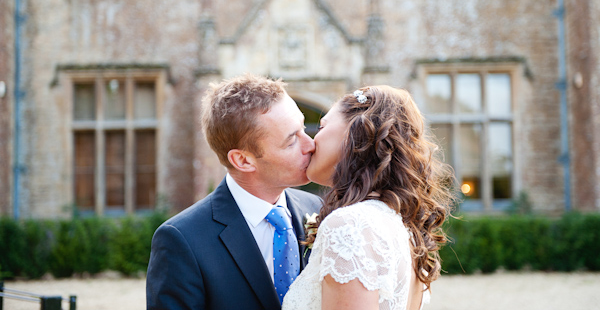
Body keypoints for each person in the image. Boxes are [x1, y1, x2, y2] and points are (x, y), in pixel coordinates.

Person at [146, 75, 322, 310]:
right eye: (291, 141)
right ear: (243, 160)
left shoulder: (318, 210)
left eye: (303, 128)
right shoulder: (182, 241)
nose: (309, 144)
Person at [282, 86, 455, 310]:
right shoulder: (403, 228)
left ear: (356, 132)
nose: (311, 143)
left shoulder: (350, 224)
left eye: (322, 127)